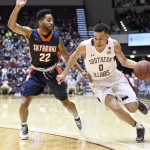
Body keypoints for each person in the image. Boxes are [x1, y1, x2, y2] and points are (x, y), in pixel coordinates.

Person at [7, 0, 90, 140]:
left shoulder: (56, 38)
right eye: (49, 20)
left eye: (52, 20)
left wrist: (81, 71)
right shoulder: (30, 33)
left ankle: (77, 117)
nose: (52, 22)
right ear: (40, 22)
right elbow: (11, 25)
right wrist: (17, 7)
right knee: (24, 103)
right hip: (36, 72)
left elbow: (67, 56)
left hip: (53, 72)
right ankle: (23, 125)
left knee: (66, 103)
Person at [56, 23, 148, 142]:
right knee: (114, 107)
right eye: (95, 38)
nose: (97, 41)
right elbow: (72, 57)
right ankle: (138, 127)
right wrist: (64, 73)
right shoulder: (84, 46)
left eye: (101, 38)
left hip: (115, 78)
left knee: (132, 109)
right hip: (97, 83)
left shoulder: (114, 44)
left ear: (108, 37)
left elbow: (124, 61)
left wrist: (140, 66)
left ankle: (136, 102)